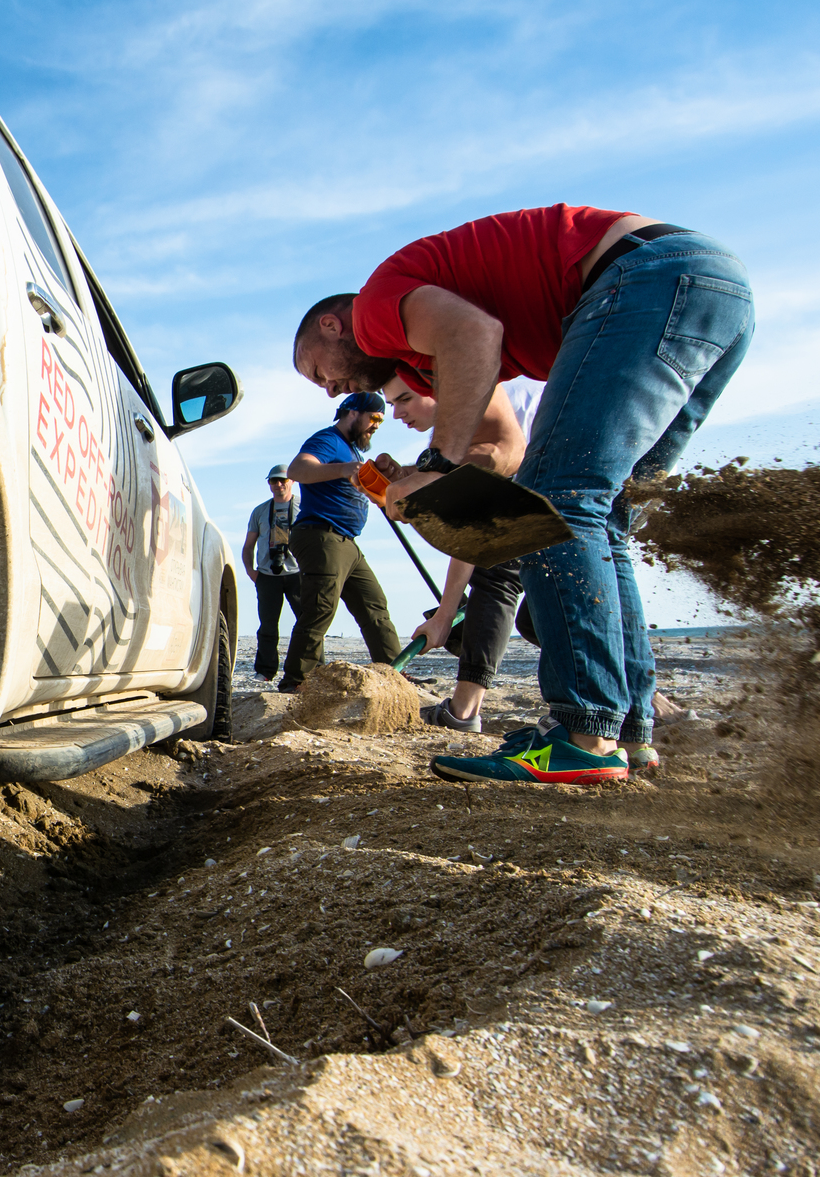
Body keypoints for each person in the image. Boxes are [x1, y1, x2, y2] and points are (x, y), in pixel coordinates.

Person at [292, 206, 753, 785]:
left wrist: (439, 464)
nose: (331, 388)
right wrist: (425, 479)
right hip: (711, 291)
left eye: (317, 371)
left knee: (564, 501)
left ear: (333, 327)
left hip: (645, 276)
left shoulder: (376, 308)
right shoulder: (429, 358)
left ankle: (587, 736)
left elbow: (474, 334)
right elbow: (505, 448)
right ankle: (630, 733)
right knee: (605, 520)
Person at [378, 378, 527, 735]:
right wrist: (407, 477)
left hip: (591, 464)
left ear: (434, 385)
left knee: (496, 577)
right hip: (541, 470)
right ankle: (643, 704)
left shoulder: (477, 414)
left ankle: (462, 712)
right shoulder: (456, 429)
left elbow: (472, 536)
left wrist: (446, 615)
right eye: (391, 404)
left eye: (405, 399)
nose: (396, 414)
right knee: (536, 619)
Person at [278, 391, 403, 691]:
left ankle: (394, 674)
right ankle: (296, 682)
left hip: (347, 542)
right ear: (352, 413)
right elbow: (297, 469)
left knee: (374, 606)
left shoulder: (353, 450)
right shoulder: (328, 440)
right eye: (373, 418)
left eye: (381, 422)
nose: (376, 426)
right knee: (320, 608)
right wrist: (344, 469)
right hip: (321, 535)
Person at [241, 465, 303, 682]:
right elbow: (248, 545)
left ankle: (312, 669)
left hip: (298, 573)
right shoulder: (259, 511)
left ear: (292, 481)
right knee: (267, 626)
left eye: (282, 480)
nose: (278, 485)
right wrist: (251, 572)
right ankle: (266, 671)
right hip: (267, 576)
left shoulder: (304, 507)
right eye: (273, 481)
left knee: (308, 623)